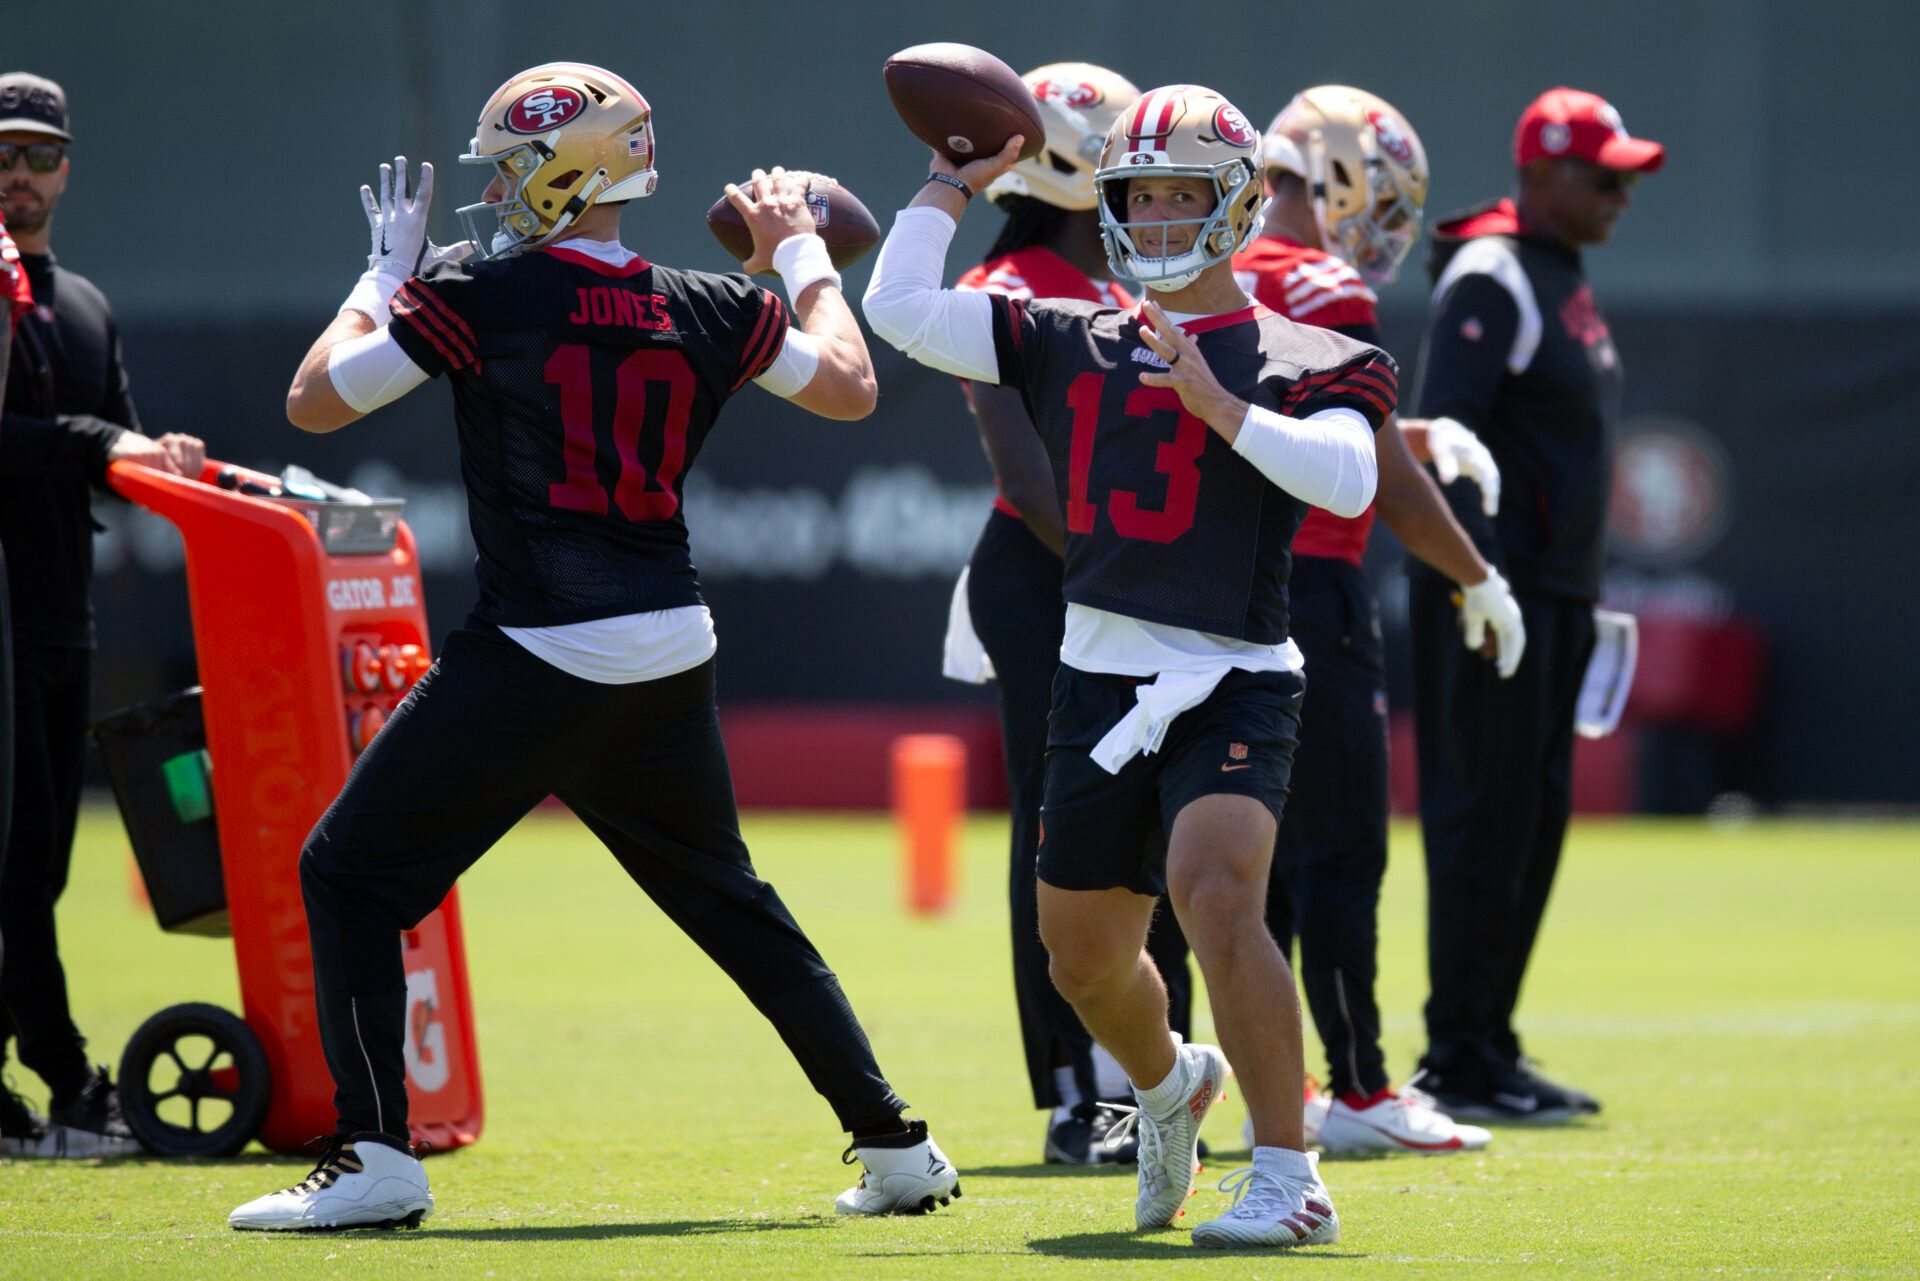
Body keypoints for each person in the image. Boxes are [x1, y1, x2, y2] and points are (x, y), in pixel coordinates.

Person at [226, 62, 958, 1230]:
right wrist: (805, 248)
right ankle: (896, 1144)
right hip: (668, 643)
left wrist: (381, 276)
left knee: (347, 872)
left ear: (573, 166)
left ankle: (374, 1157)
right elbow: (855, 387)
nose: (501, 190)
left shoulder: (480, 292)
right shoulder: (714, 303)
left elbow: (315, 401)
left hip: (538, 646)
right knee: (732, 904)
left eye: (516, 165)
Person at [869, 83, 1391, 1249]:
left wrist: (1223, 407)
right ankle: (1167, 1086)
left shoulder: (1309, 349)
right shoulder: (1073, 332)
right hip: (1096, 680)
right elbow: (897, 306)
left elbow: (1351, 480)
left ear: (1241, 202)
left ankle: (1288, 1172)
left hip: (1236, 675)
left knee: (1214, 891)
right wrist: (954, 179)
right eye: (1136, 196)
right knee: (1084, 961)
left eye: (1180, 195)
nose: (1155, 218)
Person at [1222, 86, 1519, 1155]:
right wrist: (1477, 573)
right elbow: (1376, 479)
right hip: (1315, 593)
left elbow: (1289, 416)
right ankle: (1358, 1093)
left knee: (1258, 861)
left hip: (1215, 594)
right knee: (1343, 853)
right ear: (1338, 176)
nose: (1381, 226)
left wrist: (1409, 429)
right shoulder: (1321, 280)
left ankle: (1281, 1084)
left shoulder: (1206, 274)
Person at [946, 60, 1190, 1167]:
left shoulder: (1121, 279)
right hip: (1056, 575)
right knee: (1061, 831)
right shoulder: (1009, 286)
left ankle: (1156, 1069)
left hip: (1132, 575)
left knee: (1153, 821)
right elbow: (1033, 477)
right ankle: (1073, 1091)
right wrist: (1137, 577)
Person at [1404, 87, 1663, 1121]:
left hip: (1554, 596)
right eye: (1606, 177)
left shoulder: (1560, 274)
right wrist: (1479, 577)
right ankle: (1456, 1055)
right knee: (1482, 819)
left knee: (1533, 821)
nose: (1620, 196)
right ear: (1545, 174)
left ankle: (1491, 1042)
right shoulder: (1491, 272)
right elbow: (1446, 444)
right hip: (1490, 596)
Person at [0, 70, 205, 1158]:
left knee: (39, 866)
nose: (20, 175)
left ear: (66, 169)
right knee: (15, 865)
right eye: (2, 157)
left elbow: (114, 448)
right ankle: (70, 1085)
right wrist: (97, 443)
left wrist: (165, 462)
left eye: (38, 156)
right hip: (2, 623)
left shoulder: (82, 304)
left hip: (56, 617)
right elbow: (74, 441)